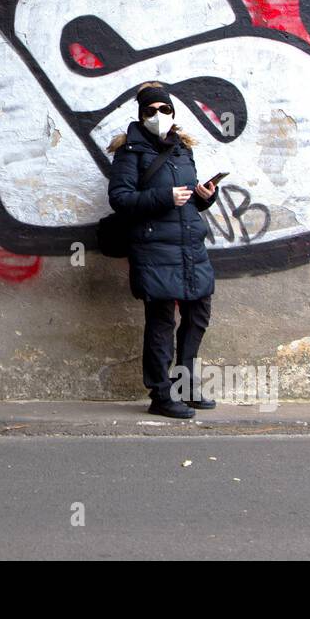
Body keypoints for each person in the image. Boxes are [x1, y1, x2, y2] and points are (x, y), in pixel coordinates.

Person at [106, 81, 219, 419]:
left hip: (189, 246)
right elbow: (120, 199)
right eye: (150, 111)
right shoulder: (130, 153)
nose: (158, 115)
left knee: (198, 314)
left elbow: (189, 203)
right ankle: (160, 393)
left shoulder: (183, 150)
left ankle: (183, 385)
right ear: (141, 116)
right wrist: (165, 197)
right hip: (154, 248)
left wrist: (205, 197)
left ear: (173, 113)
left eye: (164, 110)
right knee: (161, 321)